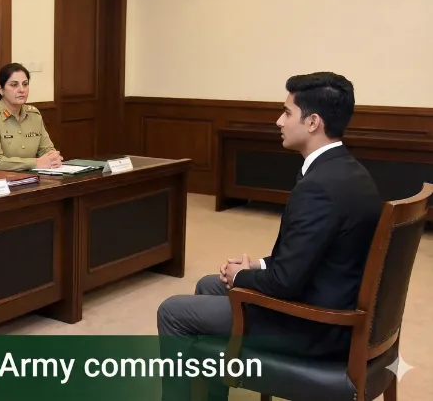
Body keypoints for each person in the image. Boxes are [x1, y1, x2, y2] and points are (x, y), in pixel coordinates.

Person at [156, 72, 382, 400]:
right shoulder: (351, 172)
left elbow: (285, 283)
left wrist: (242, 276)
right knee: (208, 285)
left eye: (287, 112)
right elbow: (312, 254)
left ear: (313, 122)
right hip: (334, 302)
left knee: (172, 311)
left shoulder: (319, 187)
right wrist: (258, 266)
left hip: (313, 326)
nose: (279, 121)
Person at [0, 63, 63, 173]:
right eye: (14, 85)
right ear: (1, 89)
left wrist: (53, 158)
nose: (21, 89)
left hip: (25, 177)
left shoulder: (34, 115)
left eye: (25, 84)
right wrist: (37, 163)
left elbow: (47, 150)